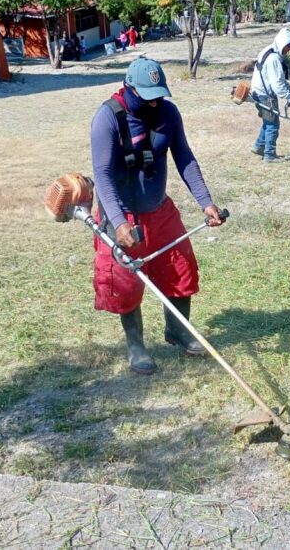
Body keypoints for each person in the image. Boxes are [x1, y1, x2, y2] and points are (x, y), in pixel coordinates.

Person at [90, 56, 226, 375]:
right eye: (147, 97)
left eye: (159, 95)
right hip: (121, 216)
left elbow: (184, 158)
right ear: (129, 88)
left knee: (180, 269)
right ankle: (136, 347)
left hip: (159, 210)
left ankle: (178, 331)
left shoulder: (168, 112)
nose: (155, 104)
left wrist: (206, 202)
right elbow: (103, 175)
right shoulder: (107, 119)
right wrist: (119, 223)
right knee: (127, 282)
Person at [250, 27, 290, 163]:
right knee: (273, 124)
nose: (288, 51)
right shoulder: (273, 59)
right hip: (265, 95)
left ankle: (259, 146)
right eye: (287, 47)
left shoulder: (269, 51)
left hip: (258, 92)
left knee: (268, 121)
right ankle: (269, 155)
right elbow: (277, 84)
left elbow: (277, 78)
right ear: (281, 43)